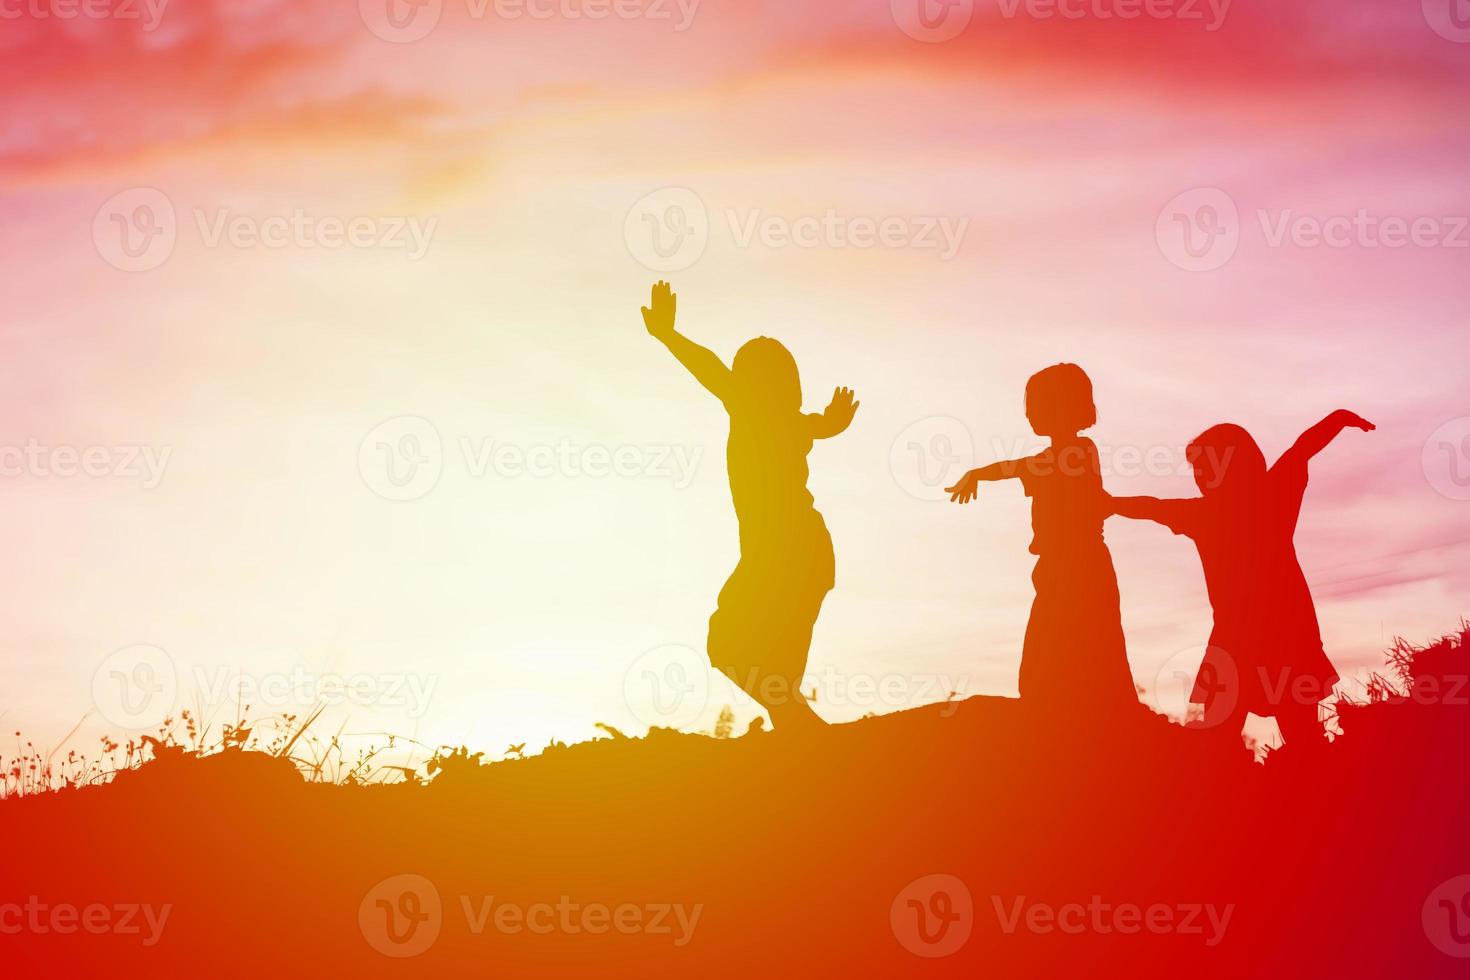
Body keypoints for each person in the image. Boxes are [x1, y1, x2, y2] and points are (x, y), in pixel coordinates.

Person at [641, 281, 858, 732]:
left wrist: (667, 335)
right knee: (767, 661)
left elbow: (708, 368)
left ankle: (800, 730)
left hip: (785, 552)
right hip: (803, 552)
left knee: (731, 646)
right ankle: (801, 730)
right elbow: (822, 426)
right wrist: (835, 422)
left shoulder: (750, 409)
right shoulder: (792, 423)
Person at [1107, 410, 1375, 749]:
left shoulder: (1219, 510)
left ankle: (1273, 788)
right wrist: (1337, 419)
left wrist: (1108, 503)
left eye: (1204, 469)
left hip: (1266, 639)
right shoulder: (1264, 497)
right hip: (1264, 638)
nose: (1199, 478)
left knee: (1245, 736)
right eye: (1196, 471)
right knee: (1285, 736)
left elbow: (1152, 506)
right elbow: (1301, 449)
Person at [946, 364, 1138, 717]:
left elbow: (1022, 466)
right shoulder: (1056, 456)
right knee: (1048, 650)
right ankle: (1056, 713)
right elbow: (1020, 465)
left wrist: (981, 474)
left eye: (1037, 404)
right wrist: (979, 474)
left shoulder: (1079, 451)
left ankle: (1098, 719)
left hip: (1081, 567)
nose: (1030, 413)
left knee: (1089, 644)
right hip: (1056, 567)